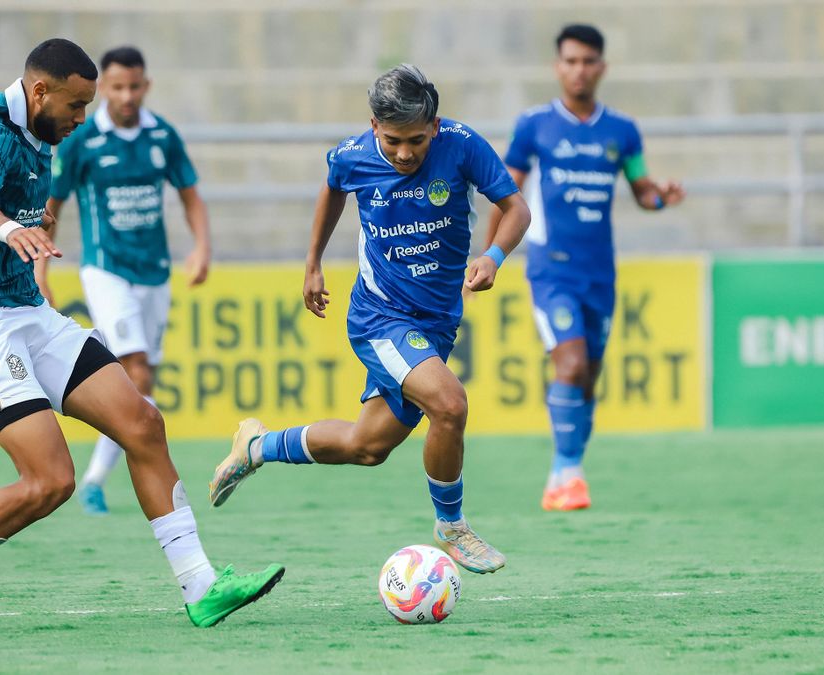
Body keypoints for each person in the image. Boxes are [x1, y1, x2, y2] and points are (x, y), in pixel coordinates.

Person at [0, 38, 282, 638]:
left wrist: (35, 228)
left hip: (24, 312)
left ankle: (202, 587)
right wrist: (11, 228)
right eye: (77, 104)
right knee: (50, 480)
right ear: (40, 90)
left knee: (143, 422)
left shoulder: (45, 136)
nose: (83, 118)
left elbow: (22, 205)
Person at [207, 64, 531, 574]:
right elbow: (333, 187)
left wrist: (493, 255)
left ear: (436, 126)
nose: (406, 153)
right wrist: (312, 264)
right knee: (449, 405)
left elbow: (516, 210)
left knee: (368, 445)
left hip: (438, 322)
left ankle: (258, 445)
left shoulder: (463, 145)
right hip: (381, 317)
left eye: (418, 141)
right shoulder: (353, 155)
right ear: (375, 126)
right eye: (395, 140)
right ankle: (451, 526)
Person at [485, 24, 686, 512]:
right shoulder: (534, 126)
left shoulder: (622, 131)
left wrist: (661, 198)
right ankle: (565, 474)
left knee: (589, 374)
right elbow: (504, 195)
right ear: (558, 66)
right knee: (570, 363)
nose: (579, 70)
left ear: (602, 67)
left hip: (601, 274)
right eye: (570, 61)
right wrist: (488, 255)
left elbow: (641, 191)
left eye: (588, 61)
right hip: (551, 271)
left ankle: (569, 467)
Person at [39, 45, 211, 516]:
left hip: (154, 271)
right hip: (105, 268)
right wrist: (41, 267)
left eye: (134, 86)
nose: (126, 95)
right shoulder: (83, 139)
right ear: (104, 90)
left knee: (142, 382)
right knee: (133, 368)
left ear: (146, 85)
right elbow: (51, 208)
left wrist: (200, 248)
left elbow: (190, 195)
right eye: (116, 87)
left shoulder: (162, 136)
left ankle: (97, 478)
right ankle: (118, 476)